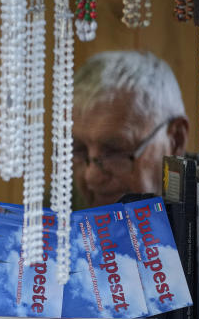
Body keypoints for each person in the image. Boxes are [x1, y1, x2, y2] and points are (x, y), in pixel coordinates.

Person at [72, 51, 189, 208]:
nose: (91, 176)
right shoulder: (47, 216)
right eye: (78, 150)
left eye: (114, 151)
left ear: (176, 140)